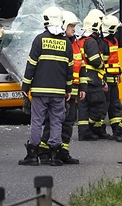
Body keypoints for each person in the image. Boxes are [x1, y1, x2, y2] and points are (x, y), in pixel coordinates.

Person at [18, 6, 73, 167]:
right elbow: (69, 70)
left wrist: (25, 86)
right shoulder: (66, 44)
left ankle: (33, 155)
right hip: (58, 92)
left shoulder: (39, 40)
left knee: (37, 121)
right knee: (56, 122)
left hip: (40, 90)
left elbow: (31, 65)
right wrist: (68, 90)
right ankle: (55, 155)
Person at [38, 10, 85, 165]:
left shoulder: (76, 44)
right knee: (54, 121)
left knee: (68, 122)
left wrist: (82, 87)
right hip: (62, 90)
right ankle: (45, 152)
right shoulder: (61, 43)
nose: (73, 29)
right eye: (71, 26)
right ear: (63, 25)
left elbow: (81, 67)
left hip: (73, 89)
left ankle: (62, 151)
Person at [76, 9, 108, 141]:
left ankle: (84, 132)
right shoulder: (91, 41)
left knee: (83, 106)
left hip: (84, 78)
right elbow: (95, 60)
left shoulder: (80, 39)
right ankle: (89, 129)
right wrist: (102, 65)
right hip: (93, 79)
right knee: (98, 104)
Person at [100, 14, 122, 138]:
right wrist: (103, 80)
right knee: (104, 106)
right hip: (106, 81)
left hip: (114, 79)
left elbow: (116, 59)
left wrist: (118, 72)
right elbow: (102, 64)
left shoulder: (114, 41)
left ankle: (117, 131)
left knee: (115, 106)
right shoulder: (103, 43)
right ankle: (101, 130)